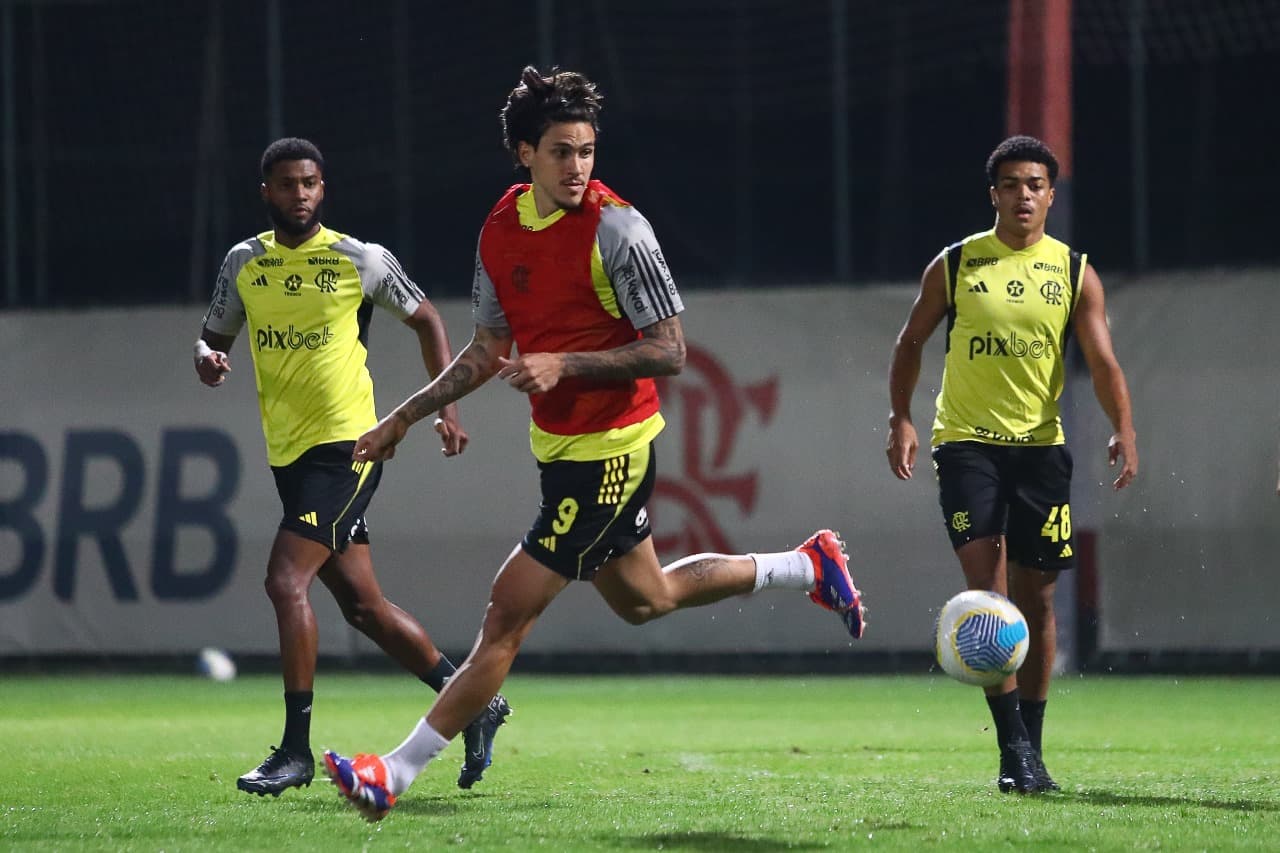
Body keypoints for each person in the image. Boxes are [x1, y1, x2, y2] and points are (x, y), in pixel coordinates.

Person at [321, 66, 867, 821]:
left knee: (505, 616)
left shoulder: (620, 230)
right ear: (525, 154)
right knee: (648, 599)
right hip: (561, 450)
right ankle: (806, 565)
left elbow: (671, 350)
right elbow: (486, 350)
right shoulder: (499, 227)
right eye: (560, 151)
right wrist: (403, 418)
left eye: (586, 150)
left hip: (612, 451)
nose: (577, 166)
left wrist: (565, 363)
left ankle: (393, 774)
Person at [194, 137, 510, 797]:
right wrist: (207, 358)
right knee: (364, 608)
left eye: (309, 182)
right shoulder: (244, 263)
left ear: (323, 188)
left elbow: (427, 320)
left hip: (349, 447)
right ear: (266, 192)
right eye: (287, 184)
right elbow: (213, 337)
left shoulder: (359, 259)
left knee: (285, 580)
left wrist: (444, 411)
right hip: (289, 454)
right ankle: (475, 702)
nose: (300, 194)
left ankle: (295, 751)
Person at [886, 135, 1138, 794]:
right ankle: (1013, 750)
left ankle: (1034, 744)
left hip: (1041, 449)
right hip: (966, 443)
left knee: (1039, 599)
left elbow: (1103, 360)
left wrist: (1124, 426)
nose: (1023, 195)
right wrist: (901, 417)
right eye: (1010, 184)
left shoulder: (1075, 271)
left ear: (1051, 196)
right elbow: (910, 341)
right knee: (988, 597)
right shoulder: (956, 263)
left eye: (1035, 185)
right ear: (992, 195)